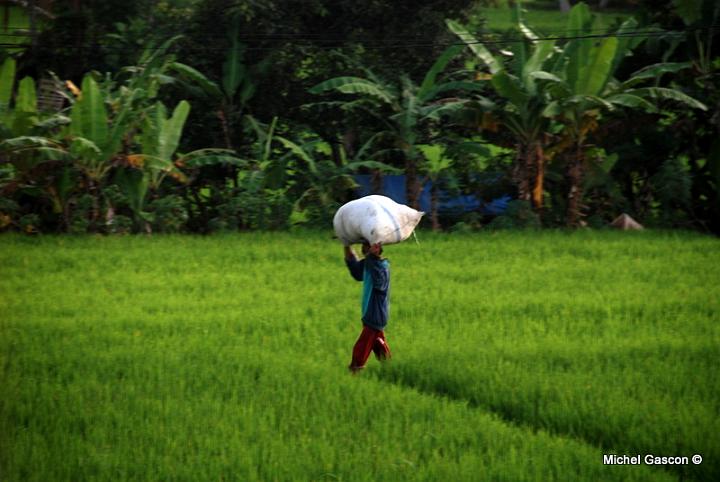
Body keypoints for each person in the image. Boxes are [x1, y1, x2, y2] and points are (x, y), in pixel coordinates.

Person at [344, 241, 391, 373]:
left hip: (375, 315)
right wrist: (346, 245)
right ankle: (390, 367)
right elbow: (356, 271)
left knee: (362, 346)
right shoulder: (369, 264)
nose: (363, 248)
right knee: (377, 342)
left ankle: (355, 369)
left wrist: (371, 257)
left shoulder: (383, 267)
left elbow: (379, 283)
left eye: (366, 246)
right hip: (371, 314)